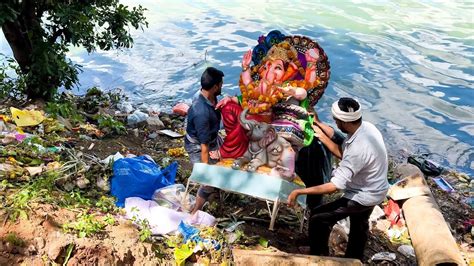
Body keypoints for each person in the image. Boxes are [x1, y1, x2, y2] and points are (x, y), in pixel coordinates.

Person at [288, 97, 389, 260]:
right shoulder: (366, 128)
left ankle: (318, 254)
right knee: (359, 225)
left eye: (336, 121)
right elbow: (342, 145)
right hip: (377, 188)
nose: (335, 123)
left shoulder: (358, 150)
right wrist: (319, 126)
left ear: (344, 122)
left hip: (363, 195)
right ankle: (354, 259)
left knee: (319, 218)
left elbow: (334, 186)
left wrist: (299, 191)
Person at [185, 67, 224, 214]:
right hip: (198, 145)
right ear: (214, 87)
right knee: (208, 181)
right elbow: (204, 147)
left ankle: (216, 192)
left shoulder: (210, 97)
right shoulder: (201, 112)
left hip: (212, 137)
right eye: (220, 85)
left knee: (228, 161)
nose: (222, 87)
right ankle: (196, 211)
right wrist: (206, 169)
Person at [295, 109, 345, 210]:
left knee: (313, 206)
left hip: (317, 180)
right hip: (304, 179)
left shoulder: (319, 132)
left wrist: (319, 125)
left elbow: (342, 144)